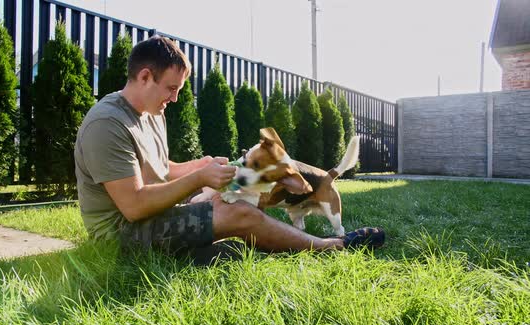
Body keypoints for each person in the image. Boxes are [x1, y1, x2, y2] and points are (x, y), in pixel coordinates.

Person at [74, 36, 384, 256]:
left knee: (238, 210)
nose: (175, 98)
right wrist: (198, 179)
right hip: (119, 236)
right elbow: (134, 206)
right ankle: (331, 247)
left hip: (154, 217)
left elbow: (160, 171)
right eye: (171, 88)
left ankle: (244, 238)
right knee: (236, 214)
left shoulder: (152, 113)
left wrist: (200, 166)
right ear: (144, 76)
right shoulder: (108, 124)